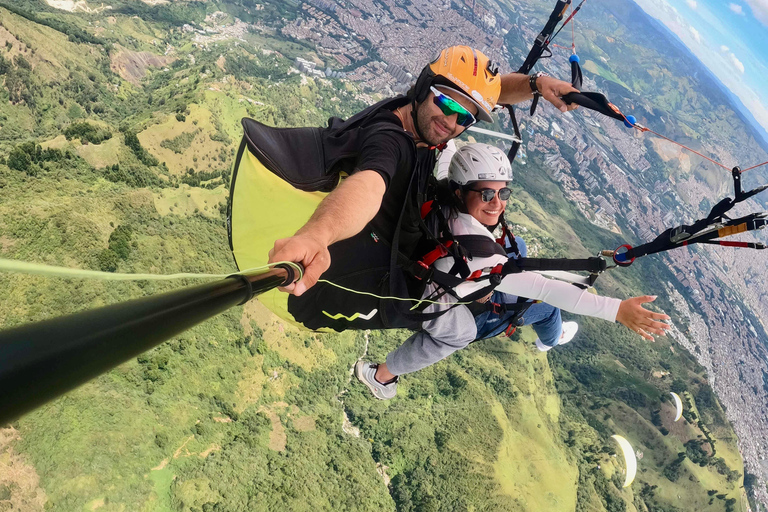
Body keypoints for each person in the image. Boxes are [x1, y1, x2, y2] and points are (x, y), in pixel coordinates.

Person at [354, 143, 671, 400]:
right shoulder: (484, 257)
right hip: (436, 297)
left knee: (517, 243)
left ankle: (550, 336)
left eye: (503, 193)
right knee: (527, 315)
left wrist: (452, 140)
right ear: (463, 191)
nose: (497, 203)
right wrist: (616, 310)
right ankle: (382, 376)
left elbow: (450, 152)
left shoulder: (445, 191)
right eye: (487, 194)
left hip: (440, 262)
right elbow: (546, 289)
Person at [267, 46, 580, 300]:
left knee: (516, 247)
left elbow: (488, 95)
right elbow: (370, 184)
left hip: (419, 219)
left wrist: (537, 85)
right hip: (400, 262)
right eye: (445, 103)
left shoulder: (418, 114)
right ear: (421, 88)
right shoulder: (390, 138)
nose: (450, 121)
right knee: (493, 298)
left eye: (465, 118)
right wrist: (317, 235)